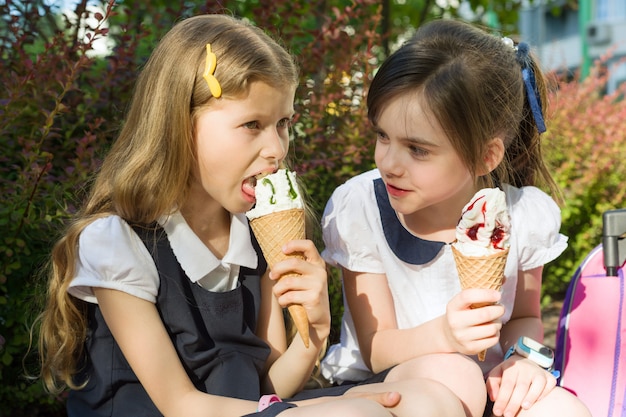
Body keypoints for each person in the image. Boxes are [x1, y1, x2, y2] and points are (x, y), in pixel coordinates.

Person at [35, 13, 468, 417]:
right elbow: (180, 404)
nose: (277, 149)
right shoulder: (118, 241)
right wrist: (314, 410)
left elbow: (267, 383)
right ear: (180, 126)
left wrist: (313, 333)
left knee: (431, 399)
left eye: (283, 123)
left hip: (248, 410)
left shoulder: (255, 236)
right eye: (252, 126)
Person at [319, 19, 592, 417]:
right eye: (382, 136)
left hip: (486, 387)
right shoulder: (361, 206)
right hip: (390, 388)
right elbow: (377, 349)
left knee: (564, 410)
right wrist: (445, 335)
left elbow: (525, 317)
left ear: (487, 156)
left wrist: (522, 359)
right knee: (454, 372)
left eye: (417, 149)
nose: (390, 163)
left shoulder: (524, 215)